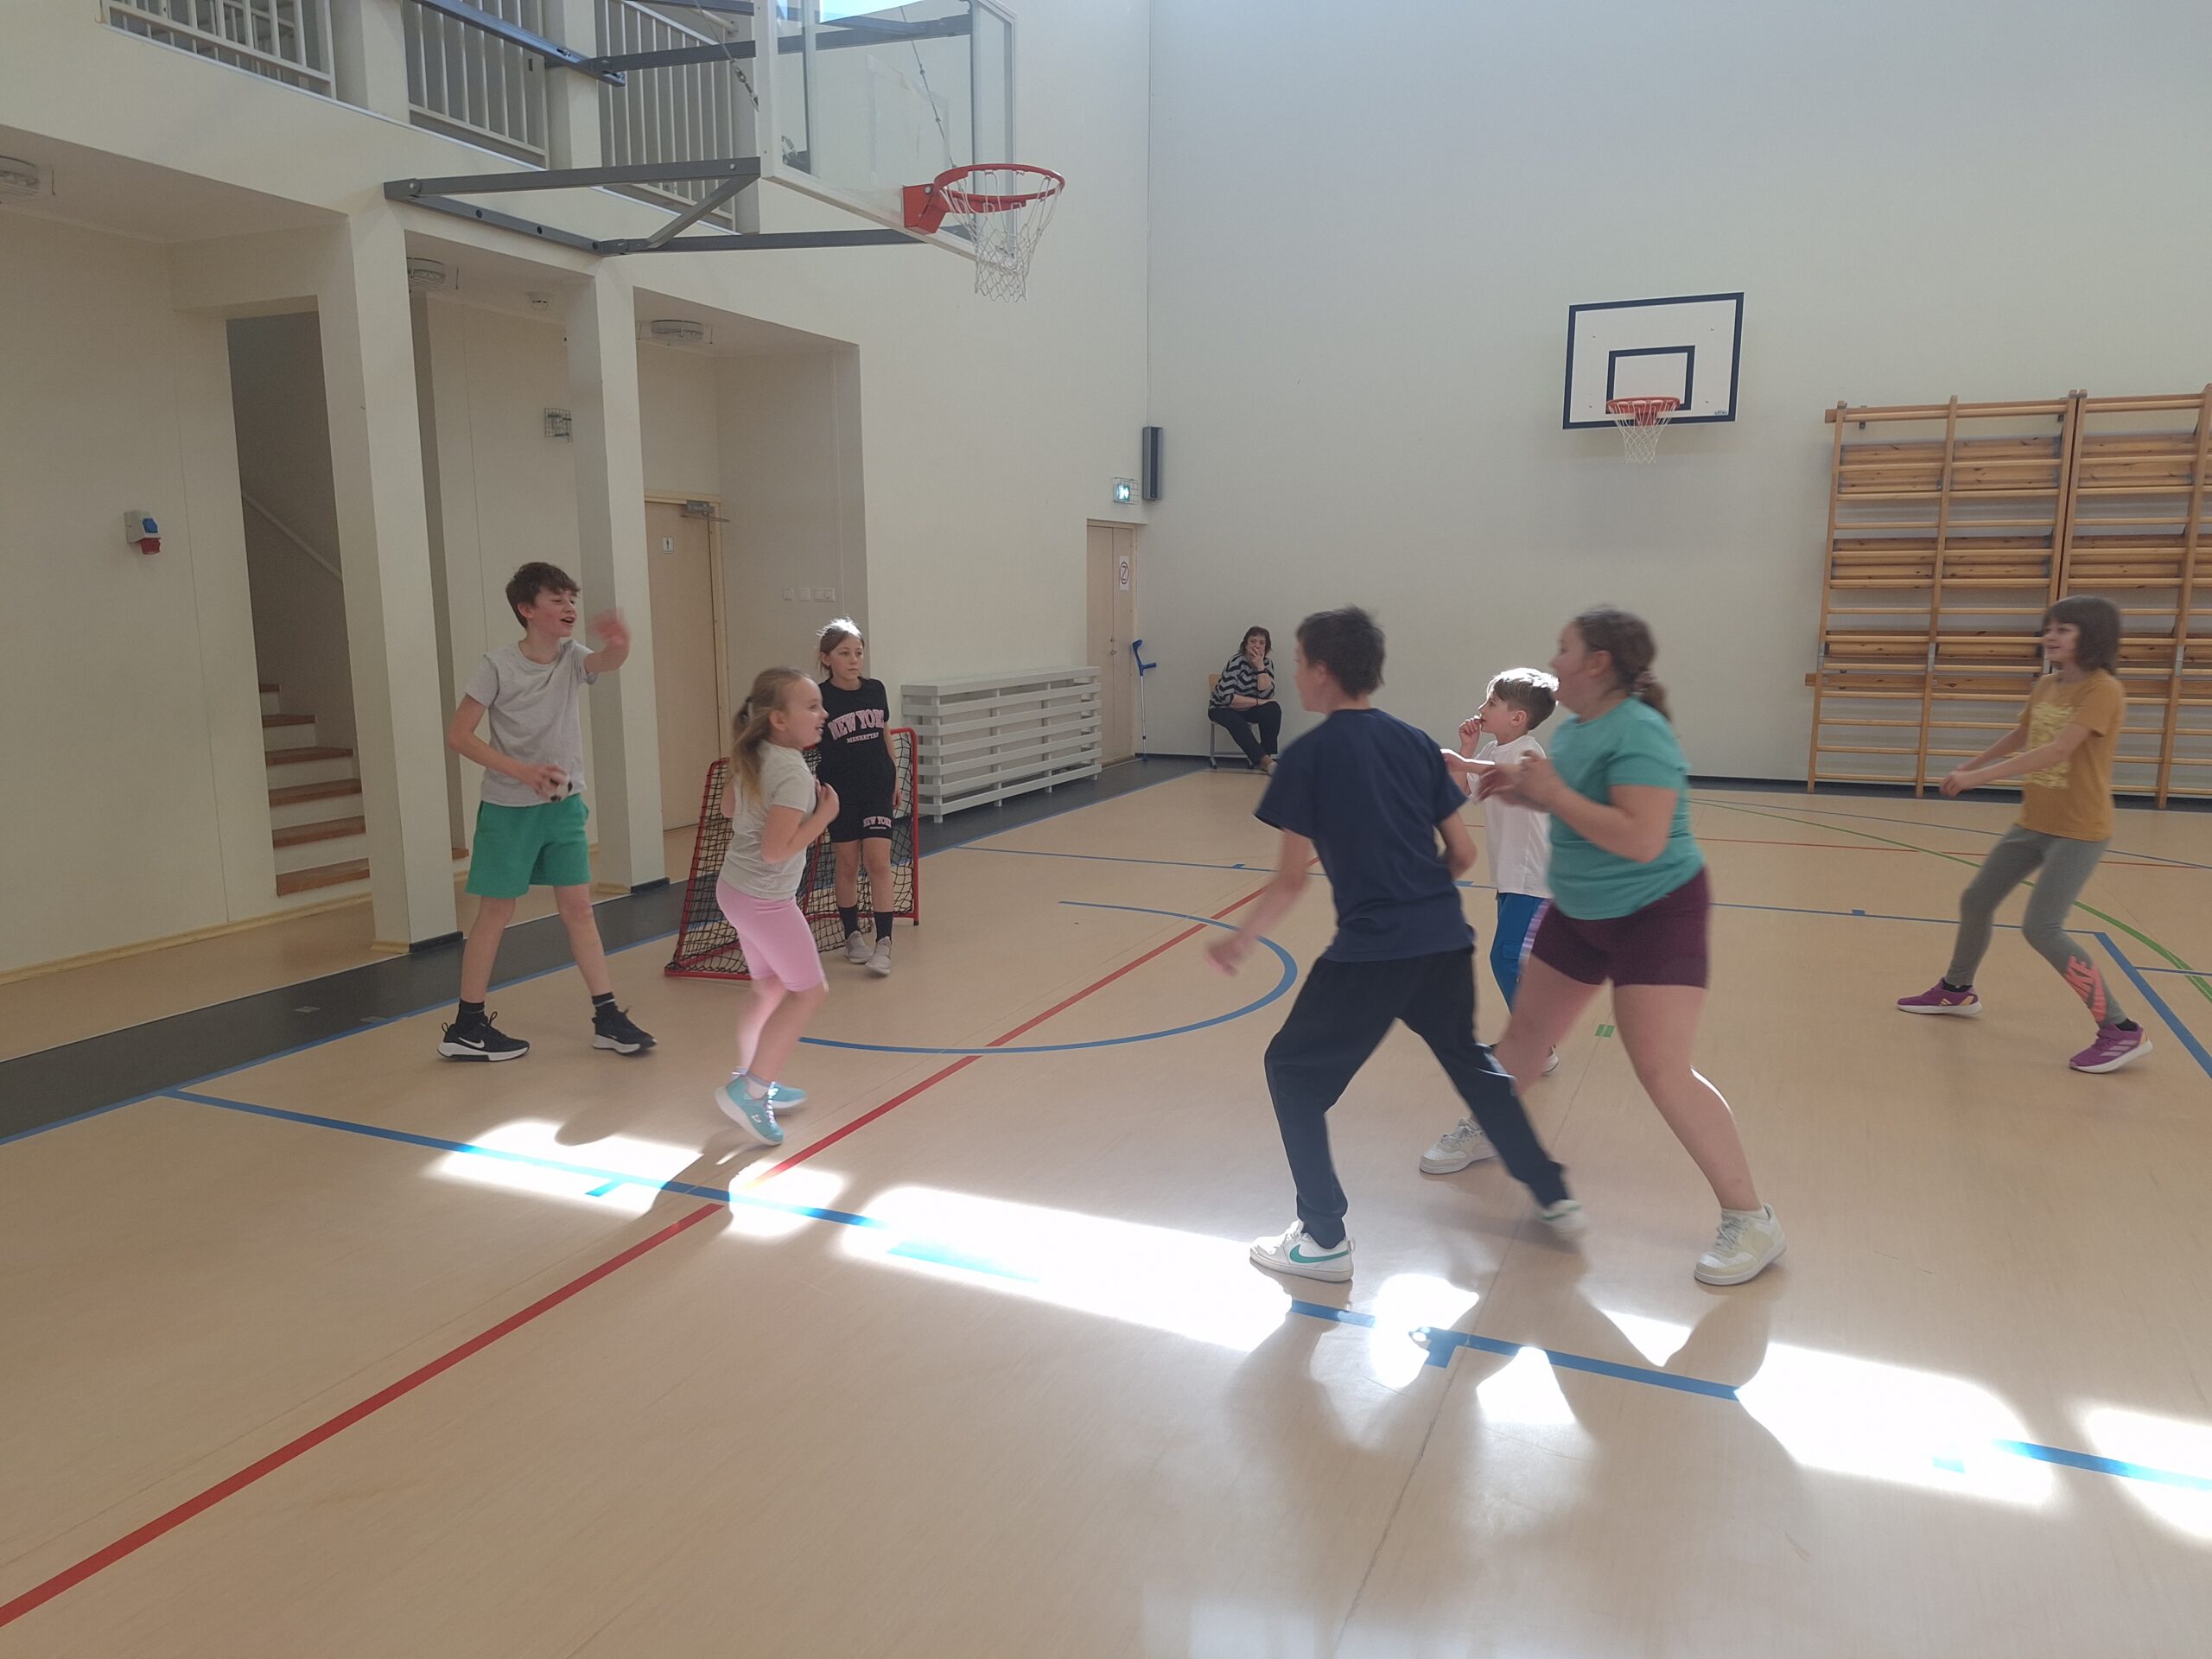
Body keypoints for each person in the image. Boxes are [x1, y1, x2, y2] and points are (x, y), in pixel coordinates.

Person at [1208, 607, 1584, 1284]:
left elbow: (1291, 880)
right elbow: (1462, 854)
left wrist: (1242, 940)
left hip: (1372, 951)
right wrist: (1417, 896)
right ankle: (1553, 1192)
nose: (1297, 672)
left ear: (1323, 672)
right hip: (1443, 940)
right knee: (1471, 1061)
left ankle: (1323, 1237)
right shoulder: (1413, 742)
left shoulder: (1306, 757)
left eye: (1300, 661)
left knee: (1291, 1072)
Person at [1476, 606, 1784, 1287]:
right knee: (1525, 1035)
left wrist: (1551, 791)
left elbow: (1642, 838)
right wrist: (1528, 794)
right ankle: (1487, 1123)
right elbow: (1584, 805)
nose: (1553, 661)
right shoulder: (1580, 729)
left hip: (1655, 913)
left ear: (1598, 663)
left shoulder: (1641, 731)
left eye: (1564, 649)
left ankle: (1751, 1218)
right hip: (1579, 907)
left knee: (1663, 1069)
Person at [1897, 595, 2152, 1074]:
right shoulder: (2048, 684)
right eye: (2049, 628)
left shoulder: (2104, 690)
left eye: (2063, 630)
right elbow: (2022, 736)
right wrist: (1971, 764)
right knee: (1977, 900)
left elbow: (2057, 750)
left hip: (2080, 830)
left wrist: (1979, 779)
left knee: (2042, 927)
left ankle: (2120, 1029)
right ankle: (1957, 990)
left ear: (2091, 637)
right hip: (2035, 822)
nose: (2050, 637)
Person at [438, 562, 654, 1062]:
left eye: (571, 599)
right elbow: (459, 736)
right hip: (509, 809)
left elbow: (607, 661)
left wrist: (621, 642)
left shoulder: (572, 657)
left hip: (564, 806)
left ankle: (607, 1017)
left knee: (579, 908)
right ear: (527, 609)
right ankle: (467, 1026)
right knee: (496, 912)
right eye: (556, 600)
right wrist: (522, 772)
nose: (569, 607)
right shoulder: (496, 665)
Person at [1424, 667, 1560, 1174]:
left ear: (1518, 717)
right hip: (1510, 879)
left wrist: (1465, 759)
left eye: (1492, 703)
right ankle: (1540, 1044)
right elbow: (1461, 793)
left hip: (1535, 880)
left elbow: (1514, 775)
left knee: (1505, 957)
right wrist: (1465, 754)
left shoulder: (1527, 753)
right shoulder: (1491, 752)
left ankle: (1534, 1044)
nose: (1482, 710)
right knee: (1511, 959)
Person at [712, 669, 840, 1146]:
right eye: (812, 706)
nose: (823, 713)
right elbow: (774, 851)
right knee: (809, 992)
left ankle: (752, 1073)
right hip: (764, 900)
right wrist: (824, 816)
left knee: (768, 987)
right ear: (779, 720)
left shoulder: (757, 754)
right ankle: (752, 1090)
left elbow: (729, 809)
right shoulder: (792, 773)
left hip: (735, 891)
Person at [816, 619, 899, 977]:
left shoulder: (876, 689)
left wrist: (895, 778)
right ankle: (852, 934)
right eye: (844, 653)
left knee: (878, 862)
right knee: (847, 864)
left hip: (877, 788)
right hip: (840, 793)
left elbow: (885, 734)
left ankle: (885, 941)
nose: (853, 660)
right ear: (826, 659)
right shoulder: (819, 697)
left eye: (858, 653)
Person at [1208, 626, 1282, 772]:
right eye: (1253, 641)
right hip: (1221, 708)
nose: (1257, 646)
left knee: (1273, 709)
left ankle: (1266, 756)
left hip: (1247, 707)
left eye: (1262, 643)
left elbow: (1267, 696)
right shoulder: (1236, 662)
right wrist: (1258, 702)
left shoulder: (1267, 664)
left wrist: (1260, 668)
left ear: (1266, 647)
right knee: (1235, 720)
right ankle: (1266, 762)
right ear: (1246, 644)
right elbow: (1227, 698)